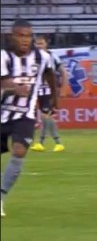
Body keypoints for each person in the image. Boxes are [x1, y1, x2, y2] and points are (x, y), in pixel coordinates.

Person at [1, 19, 58, 217]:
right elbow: (4, 80)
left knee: (19, 150)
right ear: (12, 36)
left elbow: (51, 75)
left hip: (25, 114)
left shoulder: (42, 57)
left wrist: (54, 99)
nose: (25, 40)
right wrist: (15, 88)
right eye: (20, 35)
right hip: (3, 113)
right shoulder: (3, 57)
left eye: (28, 36)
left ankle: (0, 197)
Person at [30, 35, 66, 152]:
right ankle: (46, 143)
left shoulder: (52, 56)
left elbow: (63, 72)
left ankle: (54, 142)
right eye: (37, 44)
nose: (39, 46)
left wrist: (64, 87)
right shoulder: (33, 57)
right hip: (38, 90)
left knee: (46, 116)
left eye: (41, 44)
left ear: (46, 44)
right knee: (46, 116)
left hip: (49, 90)